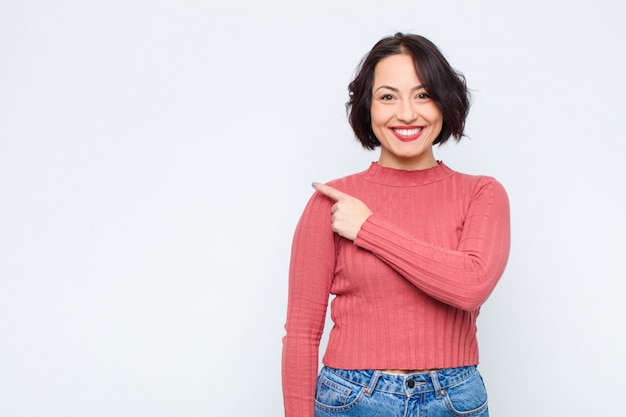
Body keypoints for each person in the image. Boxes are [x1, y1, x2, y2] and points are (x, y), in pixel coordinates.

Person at [282, 33, 510, 417]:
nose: (406, 113)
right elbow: (302, 333)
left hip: (453, 400)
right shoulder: (332, 201)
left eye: (422, 95)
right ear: (367, 107)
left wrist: (369, 228)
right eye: (388, 97)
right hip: (352, 399)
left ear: (445, 101)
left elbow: (470, 285)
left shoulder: (481, 193)